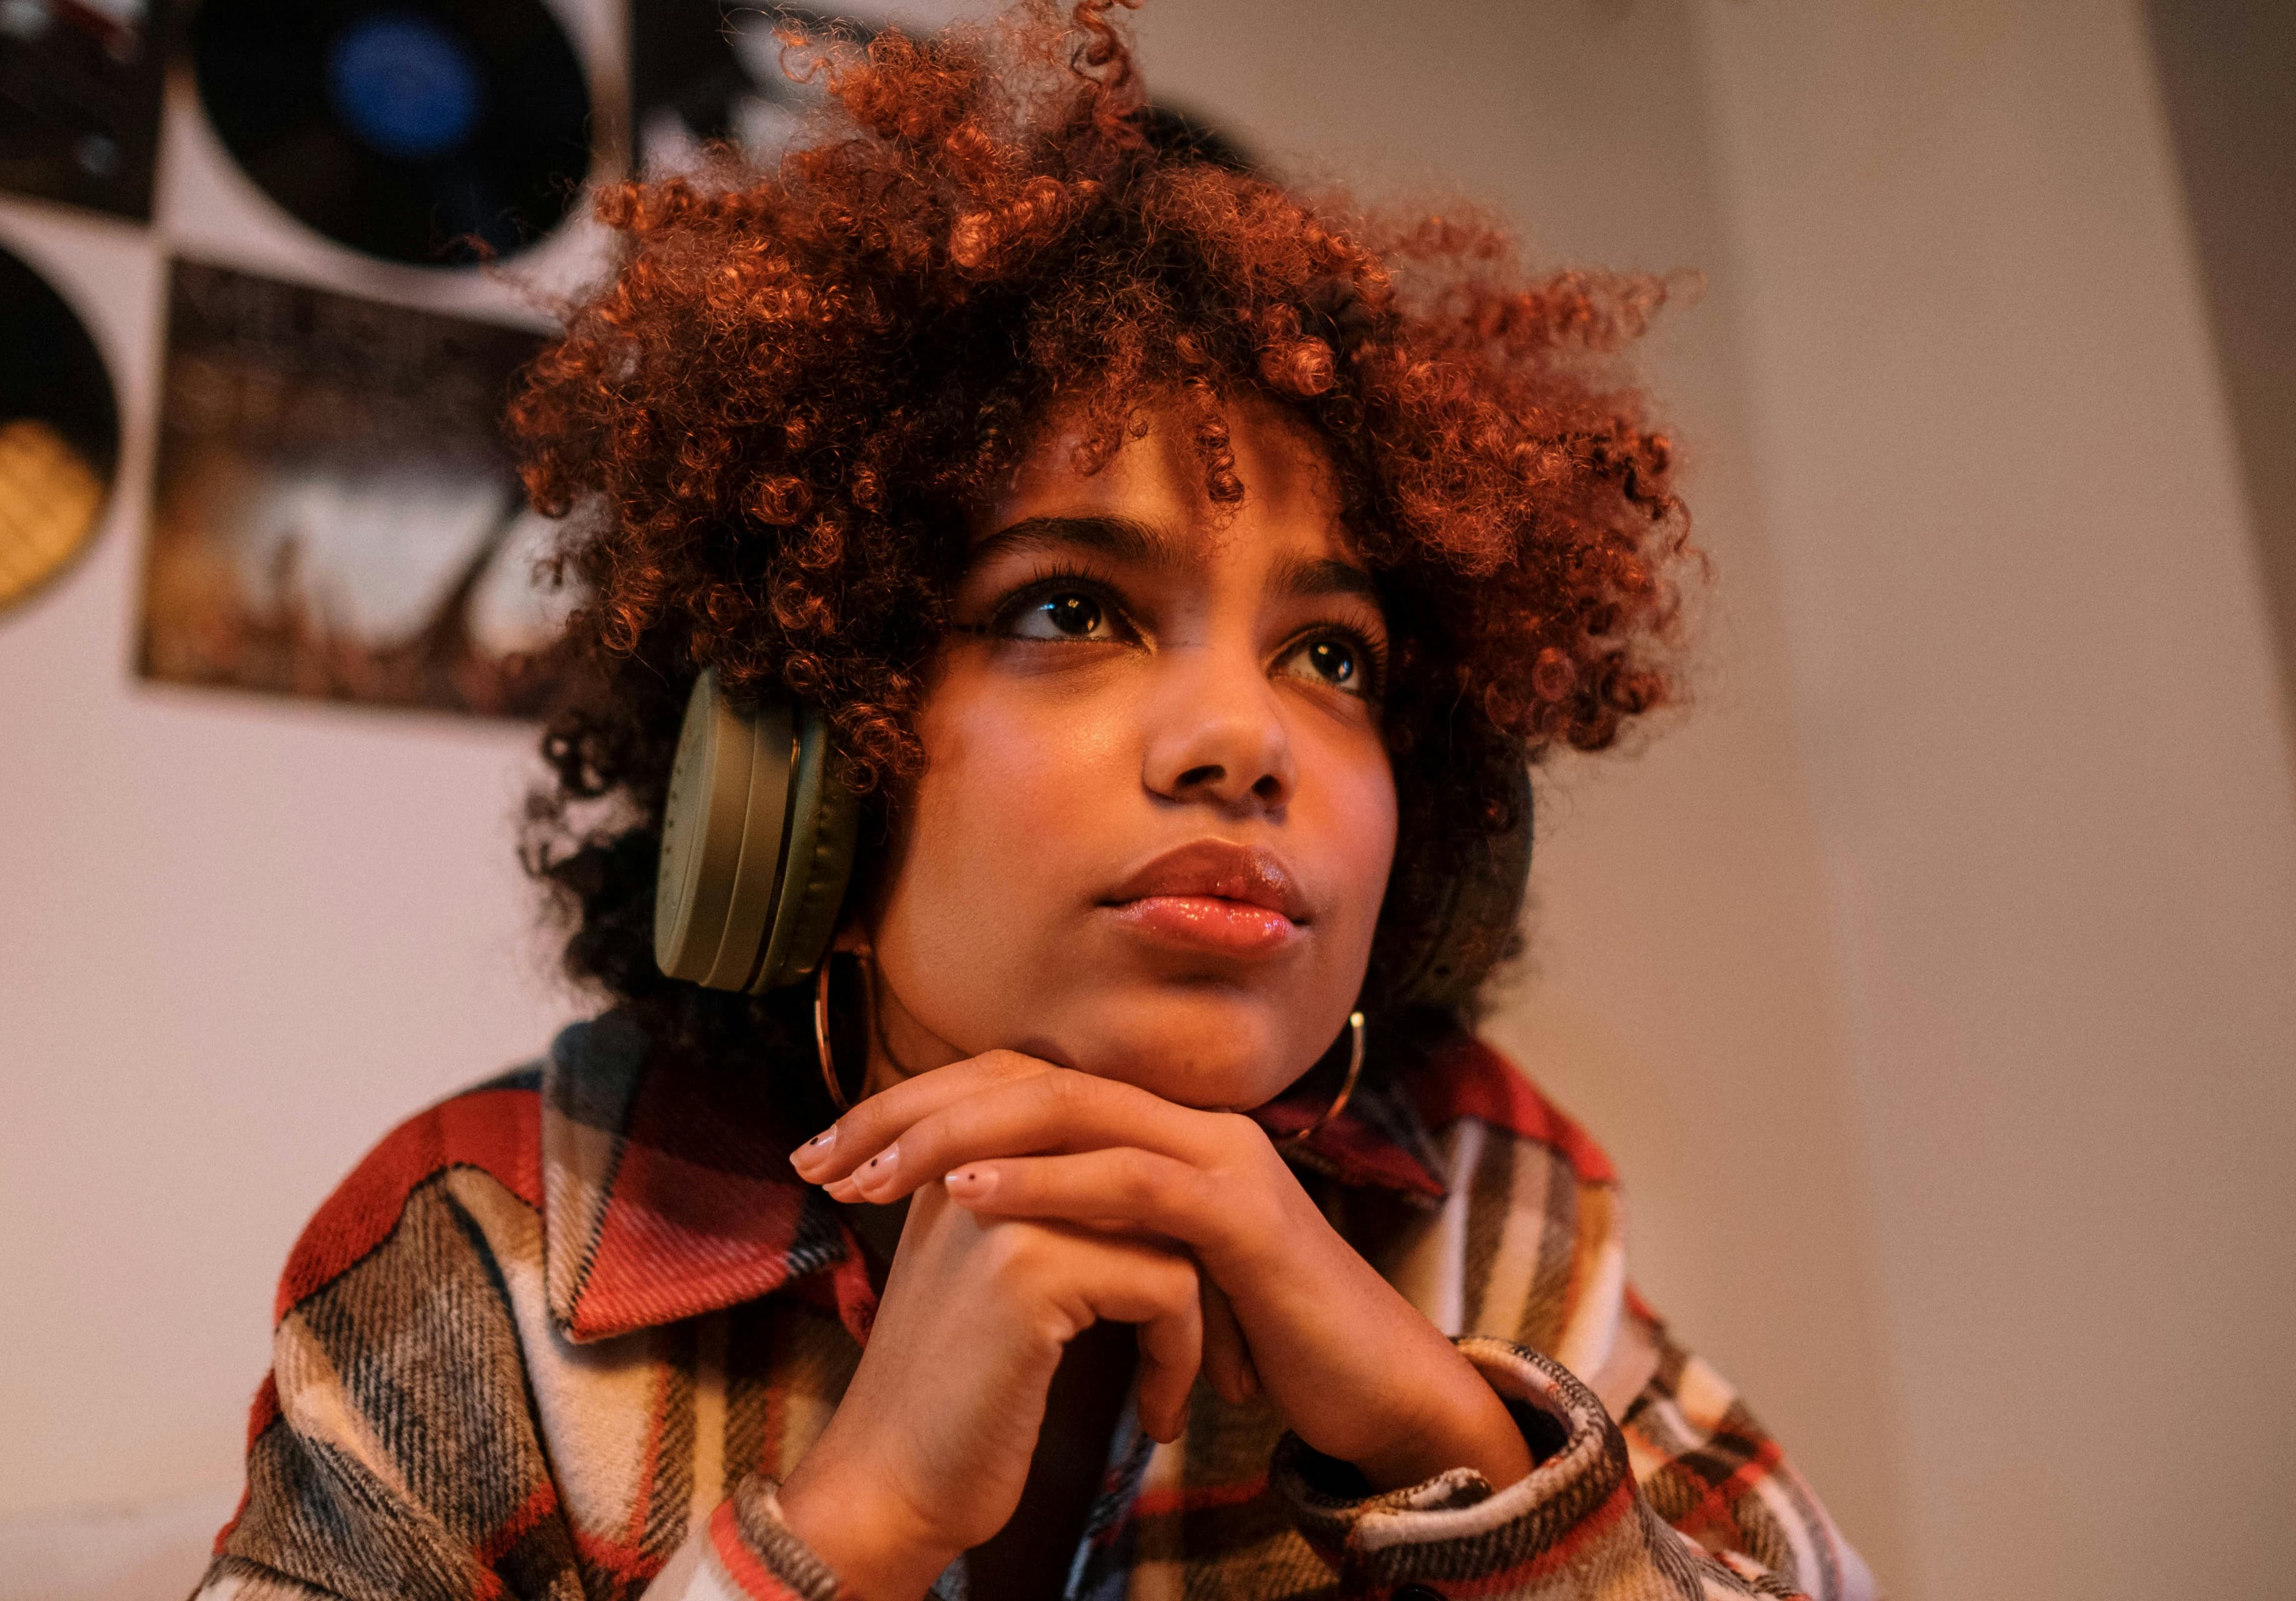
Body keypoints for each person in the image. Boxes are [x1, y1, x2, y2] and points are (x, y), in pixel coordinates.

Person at [194, 5, 1876, 1598]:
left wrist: (1445, 1442)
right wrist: (854, 1531)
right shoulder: (490, 1252)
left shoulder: (1486, 1204)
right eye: (1072, 607)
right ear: (802, 771)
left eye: (1333, 657)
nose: (1245, 740)